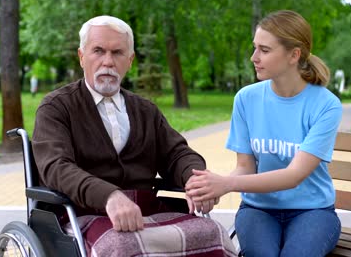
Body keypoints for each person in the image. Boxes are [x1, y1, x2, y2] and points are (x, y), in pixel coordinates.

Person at [32, 15, 235, 256]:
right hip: (81, 213)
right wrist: (109, 196)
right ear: (81, 56)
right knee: (123, 246)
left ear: (130, 61)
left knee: (213, 233)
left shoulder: (145, 110)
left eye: (117, 53)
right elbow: (57, 168)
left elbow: (177, 153)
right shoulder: (57, 107)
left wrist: (194, 180)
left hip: (146, 208)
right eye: (98, 51)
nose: (108, 61)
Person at [186, 10, 342, 257]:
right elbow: (245, 167)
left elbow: (293, 176)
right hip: (258, 209)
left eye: (264, 50)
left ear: (294, 55)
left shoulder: (326, 105)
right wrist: (209, 187)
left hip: (313, 211)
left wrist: (226, 184)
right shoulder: (246, 99)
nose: (253, 57)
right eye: (255, 48)